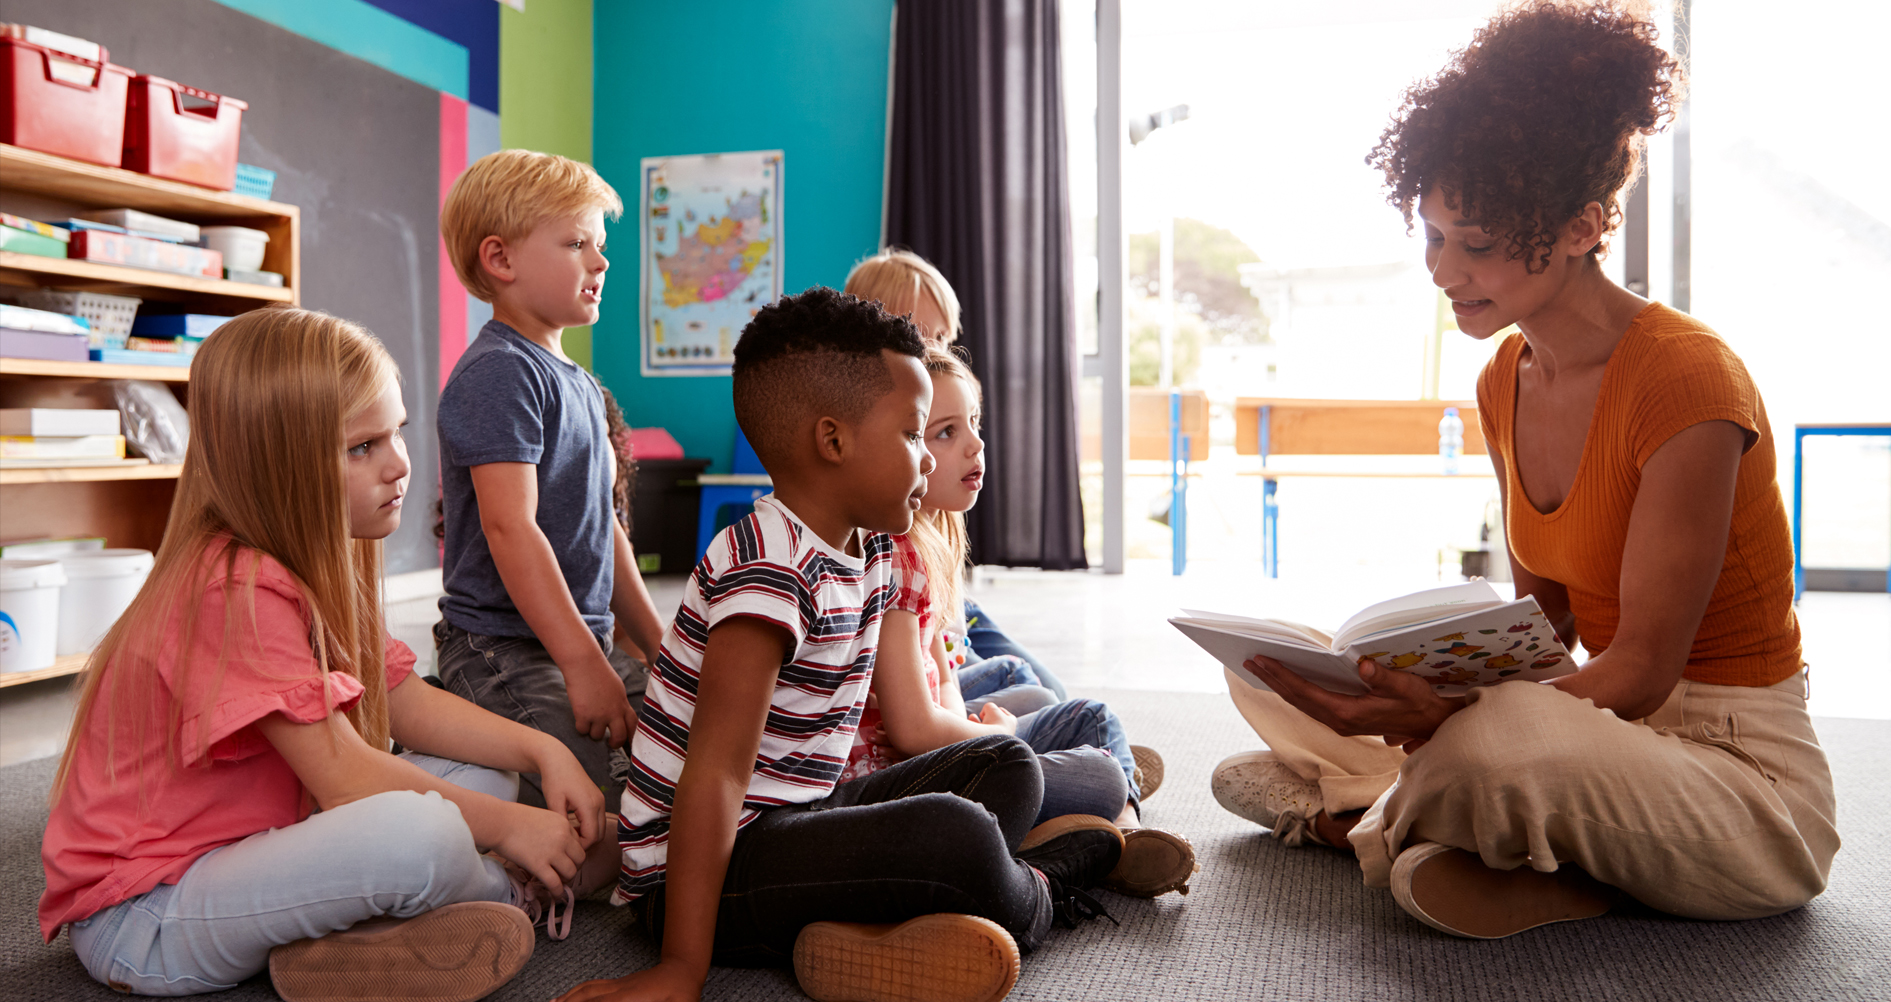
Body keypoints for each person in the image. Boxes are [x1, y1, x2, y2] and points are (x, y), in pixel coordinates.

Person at [1212, 0, 1837, 939]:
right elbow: (1544, 627)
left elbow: (1637, 672)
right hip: (1602, 743)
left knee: (1496, 742)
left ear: (1584, 228)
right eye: (1431, 233)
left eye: (1480, 245)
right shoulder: (1506, 376)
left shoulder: (1689, 382)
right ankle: (1472, 829)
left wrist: (1447, 719)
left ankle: (1368, 817)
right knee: (1264, 671)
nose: (1441, 270)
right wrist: (1406, 690)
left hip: (1738, 776)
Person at [556, 288, 1123, 1002]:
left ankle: (884, 928)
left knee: (1005, 763)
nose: (926, 461)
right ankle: (1040, 888)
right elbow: (715, 779)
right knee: (954, 836)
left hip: (798, 823)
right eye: (914, 434)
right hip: (698, 877)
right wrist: (680, 969)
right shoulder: (766, 568)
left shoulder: (873, 549)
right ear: (833, 441)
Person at [38, 308, 597, 1000]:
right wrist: (514, 833)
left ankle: (354, 938)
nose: (399, 464)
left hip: (257, 845)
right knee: (419, 834)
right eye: (362, 447)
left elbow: (405, 700)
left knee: (479, 773)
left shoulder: (311, 564)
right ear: (279, 468)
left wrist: (547, 753)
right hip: (147, 914)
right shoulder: (230, 586)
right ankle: (501, 894)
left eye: (396, 432)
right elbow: (342, 777)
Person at [844, 344, 1200, 899]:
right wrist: (997, 736)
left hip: (931, 751)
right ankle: (1119, 829)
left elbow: (938, 680)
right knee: (1098, 756)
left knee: (1038, 699)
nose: (976, 444)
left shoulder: (924, 545)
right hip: (908, 775)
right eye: (944, 432)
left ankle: (1106, 818)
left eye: (975, 424)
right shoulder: (896, 553)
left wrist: (981, 724)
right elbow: (916, 731)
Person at [433, 150, 669, 834]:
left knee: (694, 744)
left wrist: (659, 649)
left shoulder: (582, 385)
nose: (600, 263)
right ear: (501, 260)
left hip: (580, 641)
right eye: (576, 244)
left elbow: (606, 532)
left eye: (601, 247)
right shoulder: (499, 374)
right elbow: (512, 529)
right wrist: (582, 664)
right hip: (502, 647)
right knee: (591, 819)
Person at [843, 248, 1068, 699]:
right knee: (1030, 688)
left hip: (951, 616)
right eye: (917, 337)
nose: (933, 353)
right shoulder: (879, 468)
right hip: (917, 636)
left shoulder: (941, 452)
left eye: (941, 338)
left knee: (1049, 688)